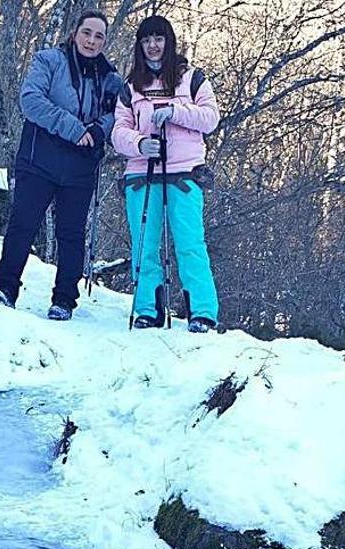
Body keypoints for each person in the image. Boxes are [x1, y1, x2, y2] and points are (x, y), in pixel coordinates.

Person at [0, 11, 121, 321]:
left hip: (80, 168)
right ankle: (5, 288)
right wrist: (74, 128)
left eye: (99, 36)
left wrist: (99, 130)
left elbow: (120, 114)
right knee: (23, 224)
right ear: (74, 33)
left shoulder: (110, 77)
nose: (91, 41)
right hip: (39, 158)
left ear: (105, 41)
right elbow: (31, 100)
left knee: (71, 235)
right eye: (86, 33)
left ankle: (64, 300)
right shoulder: (49, 60)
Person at [111, 15, 220, 333]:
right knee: (144, 244)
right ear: (139, 46)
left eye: (158, 39)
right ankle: (147, 308)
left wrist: (175, 112)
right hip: (141, 172)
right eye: (146, 40)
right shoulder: (131, 86)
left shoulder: (192, 78)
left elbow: (211, 117)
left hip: (184, 172)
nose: (153, 46)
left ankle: (202, 312)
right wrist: (140, 144)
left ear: (168, 42)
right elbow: (119, 131)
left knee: (190, 243)